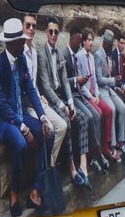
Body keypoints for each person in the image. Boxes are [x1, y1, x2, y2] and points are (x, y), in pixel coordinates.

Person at [0, 17, 55, 217]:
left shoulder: (21, 60)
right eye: (20, 40)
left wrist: (42, 117)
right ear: (11, 43)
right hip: (3, 120)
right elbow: (0, 104)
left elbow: (31, 90)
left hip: (20, 114)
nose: (23, 43)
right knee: (20, 144)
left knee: (48, 134)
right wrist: (24, 129)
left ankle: (35, 190)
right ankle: (14, 191)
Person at [37, 16, 90, 187]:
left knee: (82, 118)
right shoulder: (41, 55)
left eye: (56, 32)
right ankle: (72, 169)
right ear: (46, 32)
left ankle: (84, 166)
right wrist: (62, 106)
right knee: (66, 121)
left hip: (61, 96)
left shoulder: (59, 53)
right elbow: (45, 86)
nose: (53, 34)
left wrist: (70, 103)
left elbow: (65, 81)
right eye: (50, 31)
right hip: (51, 100)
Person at [22, 14, 69, 169]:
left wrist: (40, 96)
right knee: (48, 129)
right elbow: (24, 88)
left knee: (62, 126)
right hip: (28, 105)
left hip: (38, 100)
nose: (30, 29)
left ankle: (50, 165)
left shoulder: (34, 51)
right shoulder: (21, 52)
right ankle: (45, 171)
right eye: (27, 25)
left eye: (33, 26)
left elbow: (34, 84)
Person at [71, 30, 114, 171]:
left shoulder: (90, 57)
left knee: (106, 111)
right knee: (97, 114)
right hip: (85, 95)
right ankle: (94, 155)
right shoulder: (79, 57)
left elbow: (94, 79)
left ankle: (102, 148)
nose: (90, 43)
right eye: (88, 40)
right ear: (83, 41)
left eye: (92, 40)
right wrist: (91, 96)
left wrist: (97, 95)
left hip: (94, 95)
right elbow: (80, 85)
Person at [94, 29, 125, 157]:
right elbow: (99, 79)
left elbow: (108, 74)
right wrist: (113, 80)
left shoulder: (107, 55)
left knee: (122, 107)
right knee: (112, 109)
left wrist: (115, 81)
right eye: (109, 45)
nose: (110, 48)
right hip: (102, 90)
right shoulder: (98, 55)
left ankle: (120, 140)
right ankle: (111, 145)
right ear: (105, 44)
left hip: (109, 89)